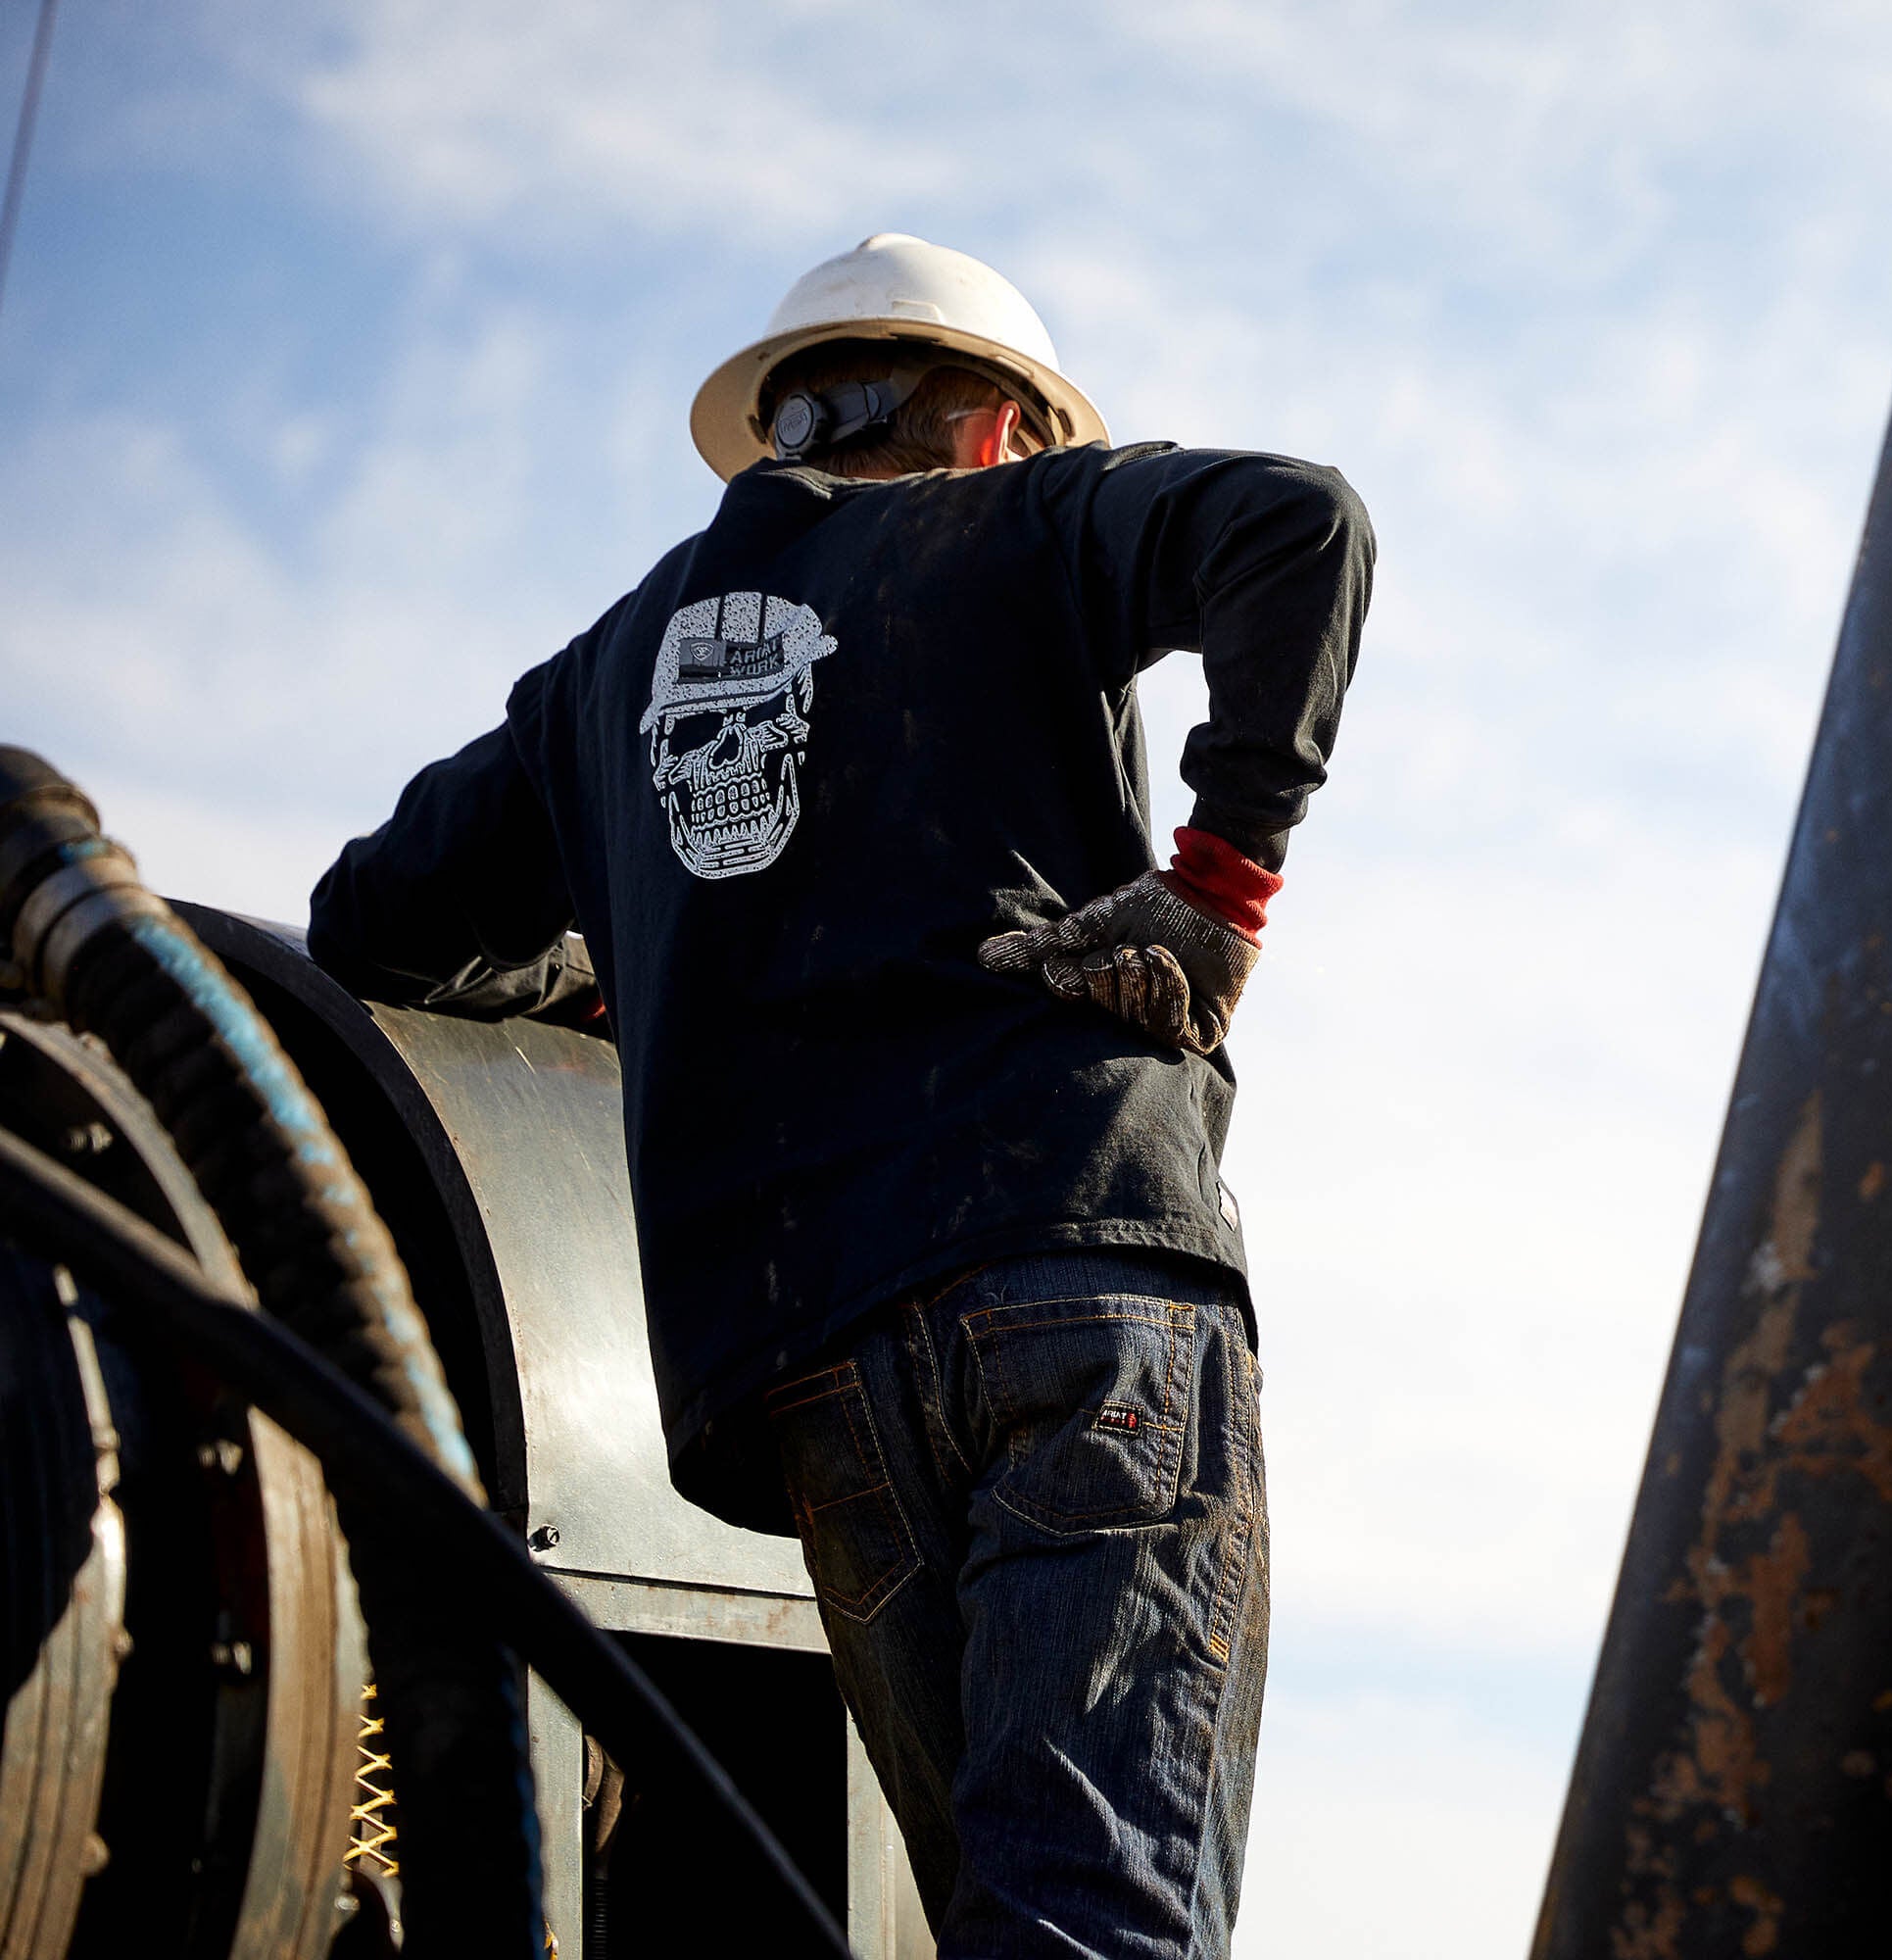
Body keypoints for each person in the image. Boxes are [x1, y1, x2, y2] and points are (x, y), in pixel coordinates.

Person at [309, 232, 1374, 1957]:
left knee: (1008, 1924)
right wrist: (1218, 883)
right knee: (1101, 1917)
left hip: (811, 1379)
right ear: (991, 427)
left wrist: (605, 976)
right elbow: (1297, 523)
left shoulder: (603, 678)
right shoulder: (1019, 525)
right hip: (1071, 1280)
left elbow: (371, 920)